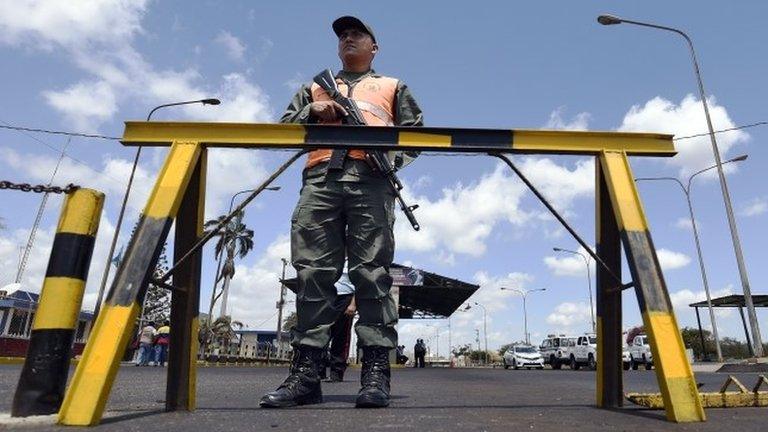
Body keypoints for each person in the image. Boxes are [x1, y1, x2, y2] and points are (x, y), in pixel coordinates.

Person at [260, 15, 423, 409]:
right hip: (321, 183)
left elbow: (416, 132)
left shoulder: (392, 86)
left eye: (357, 34)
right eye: (343, 36)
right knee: (314, 275)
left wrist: (388, 162)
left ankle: (375, 374)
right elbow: (284, 129)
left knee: (371, 274)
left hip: (371, 183)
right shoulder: (315, 88)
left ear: (374, 47)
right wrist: (314, 112)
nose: (348, 39)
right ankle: (305, 376)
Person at [319, 268, 356, 382]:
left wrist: (353, 304)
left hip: (345, 297)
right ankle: (319, 371)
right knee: (321, 334)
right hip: (326, 297)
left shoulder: (353, 261)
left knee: (341, 335)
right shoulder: (330, 257)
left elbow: (361, 284)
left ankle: (337, 372)